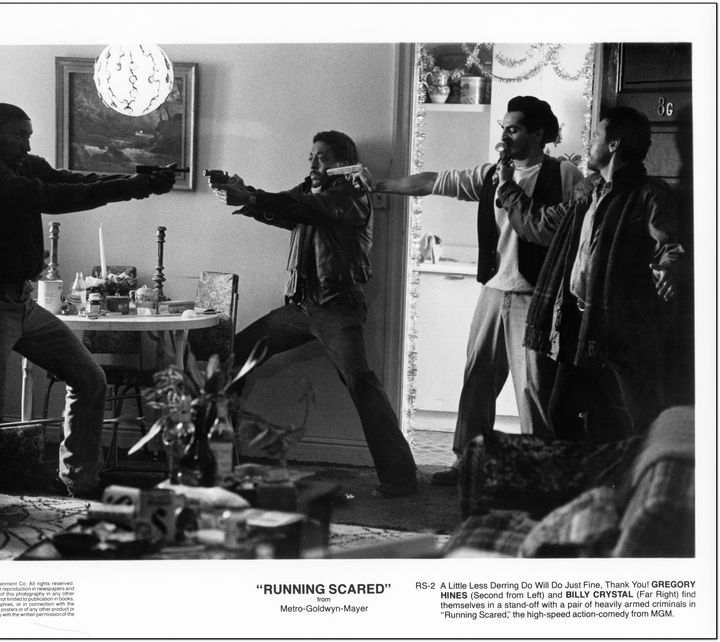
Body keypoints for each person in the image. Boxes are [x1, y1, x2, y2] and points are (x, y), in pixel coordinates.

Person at [0, 103, 176, 500]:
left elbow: (66, 178)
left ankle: (80, 483)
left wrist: (135, 181)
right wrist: (131, 188)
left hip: (22, 303)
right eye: (20, 135)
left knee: (90, 379)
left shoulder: (15, 161)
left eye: (28, 135)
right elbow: (52, 196)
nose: (27, 144)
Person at [361, 96, 583, 484]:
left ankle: (541, 468)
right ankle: (468, 460)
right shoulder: (490, 175)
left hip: (537, 297)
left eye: (513, 129)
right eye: (503, 128)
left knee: (533, 387)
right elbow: (431, 182)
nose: (505, 136)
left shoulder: (565, 174)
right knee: (477, 378)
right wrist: (377, 185)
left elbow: (575, 230)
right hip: (493, 291)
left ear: (537, 134)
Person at [208, 130, 417, 498]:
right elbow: (287, 207)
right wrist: (244, 192)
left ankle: (400, 476)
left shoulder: (352, 194)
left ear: (343, 163)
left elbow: (311, 208)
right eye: (311, 156)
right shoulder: (312, 190)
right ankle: (218, 466)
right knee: (234, 357)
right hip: (302, 306)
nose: (312, 162)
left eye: (321, 156)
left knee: (361, 383)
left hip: (337, 306)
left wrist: (251, 197)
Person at [495, 105, 683, 440]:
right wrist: (508, 187)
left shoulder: (648, 194)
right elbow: (541, 225)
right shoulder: (589, 192)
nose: (589, 143)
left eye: (596, 136)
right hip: (580, 325)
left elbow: (672, 245)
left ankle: (642, 472)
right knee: (561, 413)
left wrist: (670, 269)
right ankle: (587, 471)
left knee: (639, 417)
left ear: (614, 144)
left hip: (623, 328)